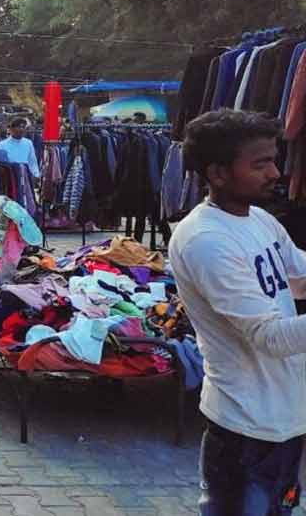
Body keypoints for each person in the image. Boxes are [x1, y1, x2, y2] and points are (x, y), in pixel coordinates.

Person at [169, 109, 306, 515]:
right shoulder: (206, 241)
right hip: (246, 428)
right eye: (260, 164)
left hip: (283, 417)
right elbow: (271, 338)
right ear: (218, 173)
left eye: (274, 160)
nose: (275, 173)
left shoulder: (259, 220)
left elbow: (297, 275)